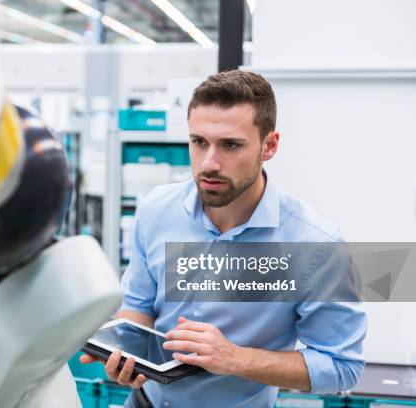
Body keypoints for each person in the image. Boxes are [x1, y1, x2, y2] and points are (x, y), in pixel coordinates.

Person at [80, 70, 366, 408]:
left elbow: (341, 366)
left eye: (230, 145)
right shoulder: (157, 210)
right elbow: (140, 308)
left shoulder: (316, 245)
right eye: (199, 142)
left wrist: (234, 358)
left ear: (269, 145)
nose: (209, 163)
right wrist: (123, 351)